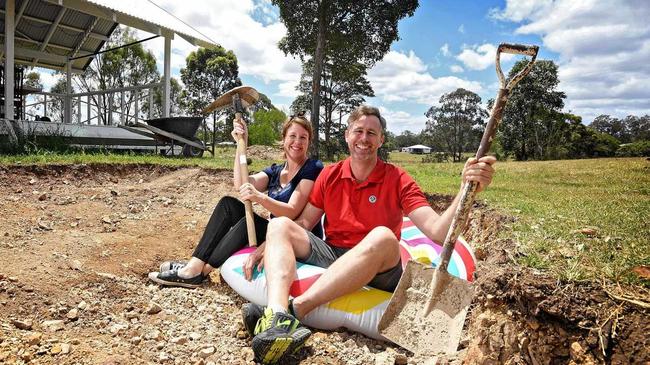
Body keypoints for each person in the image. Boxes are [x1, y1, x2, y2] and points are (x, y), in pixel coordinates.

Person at [242, 105, 497, 364]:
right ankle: (276, 317)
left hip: (379, 268)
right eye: (359, 131)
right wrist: (266, 247)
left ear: (381, 139)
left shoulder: (398, 178)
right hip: (334, 254)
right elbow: (305, 221)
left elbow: (438, 231)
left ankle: (296, 311)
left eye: (372, 133)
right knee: (278, 225)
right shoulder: (329, 174)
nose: (364, 139)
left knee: (383, 236)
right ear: (347, 135)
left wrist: (467, 190)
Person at [148, 114, 323, 288]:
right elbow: (241, 184)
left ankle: (198, 272)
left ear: (309, 142)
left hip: (295, 236)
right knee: (228, 205)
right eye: (292, 136)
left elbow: (292, 210)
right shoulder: (276, 171)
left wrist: (259, 197)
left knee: (246, 225)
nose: (297, 142)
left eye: (303, 137)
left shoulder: (312, 168)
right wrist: (242, 145)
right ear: (284, 139)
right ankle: (194, 264)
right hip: (274, 230)